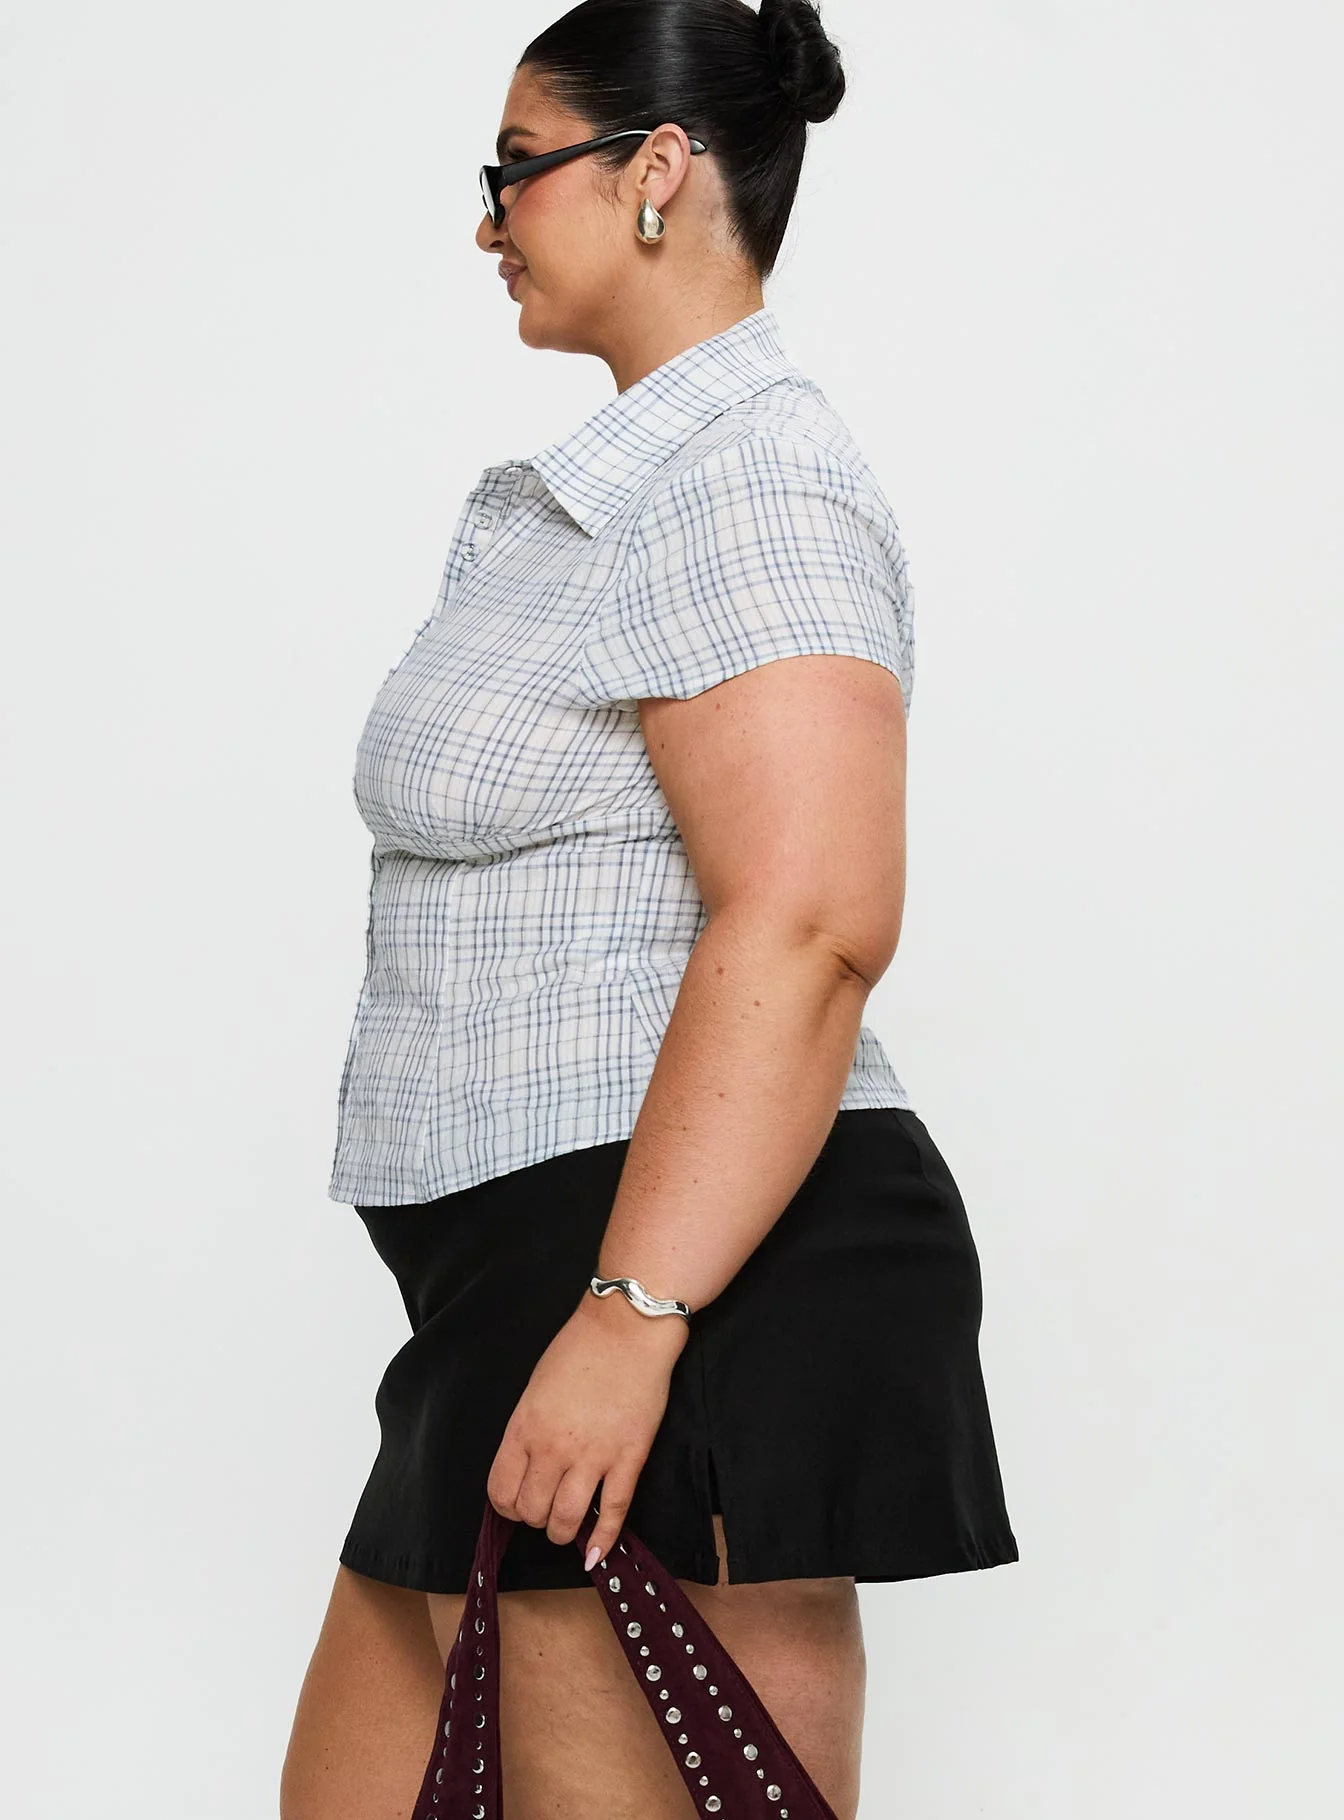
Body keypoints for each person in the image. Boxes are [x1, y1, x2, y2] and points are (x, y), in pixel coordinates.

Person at [280, 3, 1019, 1816]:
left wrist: (632, 1314)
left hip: (662, 1272)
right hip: (525, 1276)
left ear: (658, 171)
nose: (488, 219)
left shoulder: (747, 475)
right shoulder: (601, 496)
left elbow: (813, 918)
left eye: (517, 168)